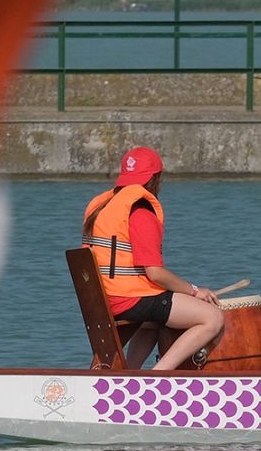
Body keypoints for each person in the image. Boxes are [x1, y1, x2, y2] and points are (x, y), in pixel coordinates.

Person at [80, 146, 225, 371]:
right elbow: (155, 273)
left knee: (153, 323)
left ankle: (130, 374)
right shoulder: (140, 210)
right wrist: (196, 291)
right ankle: (157, 378)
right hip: (128, 300)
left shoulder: (101, 206)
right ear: (155, 179)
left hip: (100, 297)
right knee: (212, 318)